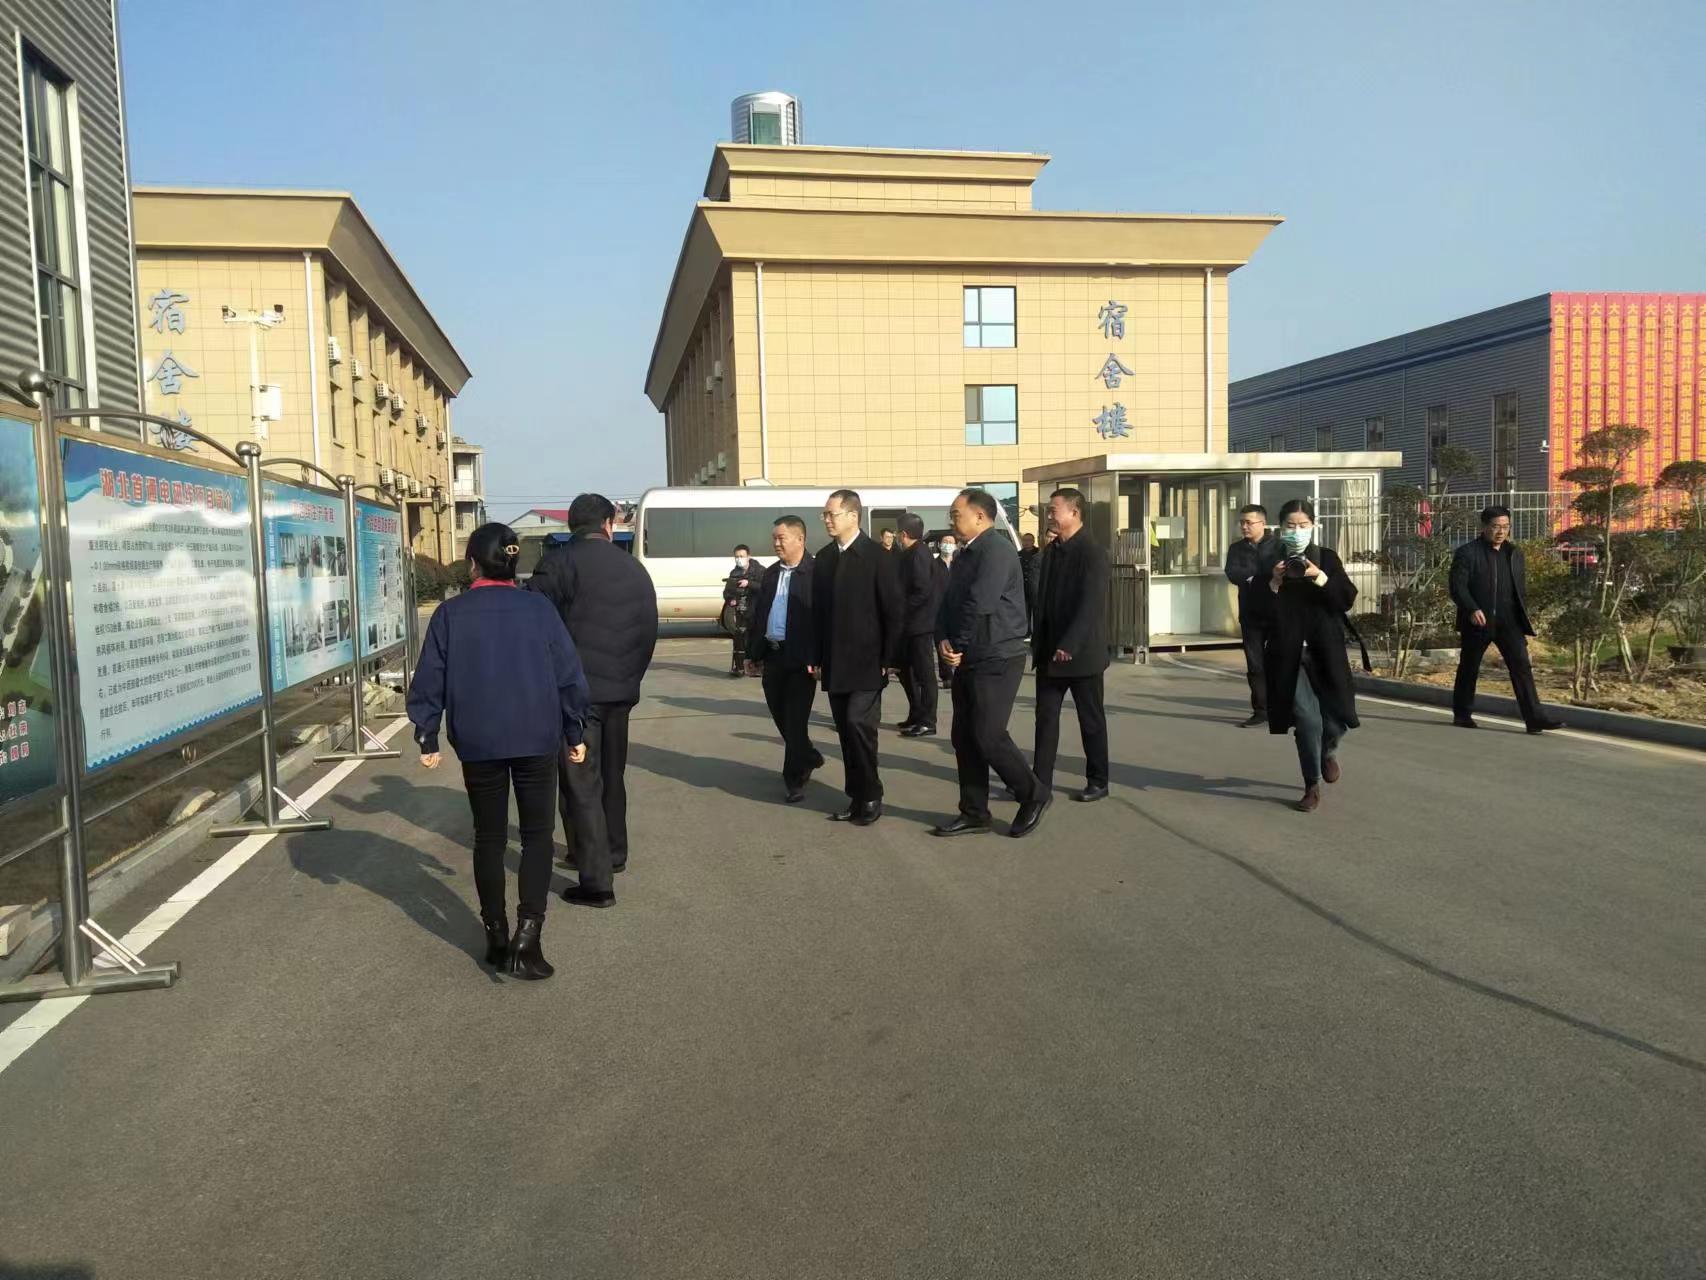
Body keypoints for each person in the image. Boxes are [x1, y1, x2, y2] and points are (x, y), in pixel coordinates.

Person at [407, 523, 591, 980]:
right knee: (536, 836)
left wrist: (427, 734)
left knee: (488, 837)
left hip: (478, 740)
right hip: (536, 736)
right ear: (513, 563)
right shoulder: (539, 609)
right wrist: (574, 730)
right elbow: (568, 674)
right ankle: (529, 936)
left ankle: (495, 933)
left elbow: (430, 677)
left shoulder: (450, 614)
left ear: (473, 563)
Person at [526, 492, 658, 904]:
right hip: (621, 690)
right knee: (613, 775)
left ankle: (596, 879)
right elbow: (648, 629)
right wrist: (631, 678)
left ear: (572, 525)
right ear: (607, 524)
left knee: (580, 782)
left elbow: (534, 626)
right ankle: (613, 852)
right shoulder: (634, 568)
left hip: (575, 695)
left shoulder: (558, 564)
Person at [933, 490, 1050, 839]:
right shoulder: (966, 553)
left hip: (997, 654)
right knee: (964, 736)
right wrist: (942, 637)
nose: (952, 521)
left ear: (981, 517)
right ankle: (974, 812)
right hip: (970, 654)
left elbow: (979, 603)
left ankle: (1033, 793)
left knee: (988, 733)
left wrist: (958, 644)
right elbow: (949, 601)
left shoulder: (995, 551)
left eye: (957, 514)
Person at [812, 488, 903, 826]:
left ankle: (871, 794)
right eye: (824, 514)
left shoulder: (878, 557)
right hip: (835, 662)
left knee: (859, 725)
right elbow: (817, 613)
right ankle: (856, 795)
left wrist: (890, 658)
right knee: (845, 731)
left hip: (868, 661)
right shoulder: (825, 558)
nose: (826, 520)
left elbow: (895, 611)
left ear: (853, 516)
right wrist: (816, 656)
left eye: (831, 514)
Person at [1263, 498, 1361, 813]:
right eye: (1290, 525)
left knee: (1337, 717)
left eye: (1303, 525)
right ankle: (1311, 785)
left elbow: (1346, 599)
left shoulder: (1326, 558)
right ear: (1280, 528)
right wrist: (1274, 583)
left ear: (1313, 526)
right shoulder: (1270, 559)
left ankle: (1327, 750)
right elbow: (1256, 612)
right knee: (1307, 719)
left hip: (1325, 650)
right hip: (1287, 654)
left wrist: (1320, 576)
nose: (1296, 531)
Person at [1449, 505, 1564, 733]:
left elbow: (1518, 590)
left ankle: (1535, 719)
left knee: (1522, 667)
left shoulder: (1514, 553)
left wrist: (1522, 618)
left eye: (1505, 526)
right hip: (1478, 622)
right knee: (1469, 668)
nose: (1501, 531)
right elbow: (1457, 587)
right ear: (1484, 527)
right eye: (1495, 526)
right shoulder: (1467, 553)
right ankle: (1462, 714)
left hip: (1509, 622)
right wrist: (1471, 609)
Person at [1030, 488, 1111, 803]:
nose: (1049, 515)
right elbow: (1042, 598)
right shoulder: (1052, 550)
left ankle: (1098, 780)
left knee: (1090, 720)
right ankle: (1040, 783)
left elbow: (1091, 604)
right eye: (1048, 511)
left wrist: (1070, 643)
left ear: (1074, 513)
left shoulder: (1092, 552)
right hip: (1050, 651)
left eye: (1054, 510)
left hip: (1081, 654)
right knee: (1045, 719)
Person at [744, 516, 824, 803]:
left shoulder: (816, 573)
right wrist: (752, 653)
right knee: (780, 715)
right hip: (773, 655)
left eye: (782, 538)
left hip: (802, 659)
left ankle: (795, 778)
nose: (776, 543)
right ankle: (809, 755)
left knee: (796, 720)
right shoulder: (771, 573)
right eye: (774, 538)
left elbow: (823, 619)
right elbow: (759, 615)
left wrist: (819, 657)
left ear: (800, 539)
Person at [1225, 504, 1279, 727]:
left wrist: (1253, 577)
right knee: (1255, 665)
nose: (1244, 526)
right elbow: (1233, 573)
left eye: (1249, 522)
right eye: (1242, 522)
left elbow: (1282, 573)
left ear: (1262, 523)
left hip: (1278, 613)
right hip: (1250, 614)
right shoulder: (1236, 549)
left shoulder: (1279, 546)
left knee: (1280, 661)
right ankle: (1261, 710)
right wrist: (1263, 577)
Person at [895, 513, 941, 737]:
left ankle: (928, 720)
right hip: (909, 626)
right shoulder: (909, 553)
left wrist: (901, 609)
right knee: (907, 673)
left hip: (920, 625)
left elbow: (922, 590)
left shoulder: (919, 554)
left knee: (924, 675)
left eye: (897, 533)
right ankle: (915, 713)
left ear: (903, 534)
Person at [722, 544, 762, 677]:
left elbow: (766, 587)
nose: (739, 559)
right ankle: (739, 668)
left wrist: (749, 583)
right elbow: (727, 592)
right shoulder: (734, 573)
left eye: (741, 556)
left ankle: (756, 667)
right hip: (741, 612)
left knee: (756, 640)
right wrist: (730, 600)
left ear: (748, 556)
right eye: (737, 557)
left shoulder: (759, 571)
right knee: (739, 639)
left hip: (756, 611)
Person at [935, 534, 959, 689]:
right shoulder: (933, 565)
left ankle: (958, 671)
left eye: (951, 542)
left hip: (956, 608)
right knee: (941, 641)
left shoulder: (959, 564)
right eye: (945, 542)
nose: (948, 544)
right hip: (938, 609)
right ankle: (946, 675)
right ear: (939, 545)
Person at [1018, 531, 1042, 636]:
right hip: (1023, 587)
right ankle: (1026, 631)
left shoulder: (1038, 553)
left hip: (1036, 587)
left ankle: (1037, 631)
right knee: (1025, 611)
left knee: (1036, 611)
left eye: (1029, 540)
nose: (1026, 542)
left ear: (1033, 541)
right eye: (1024, 540)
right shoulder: (1019, 554)